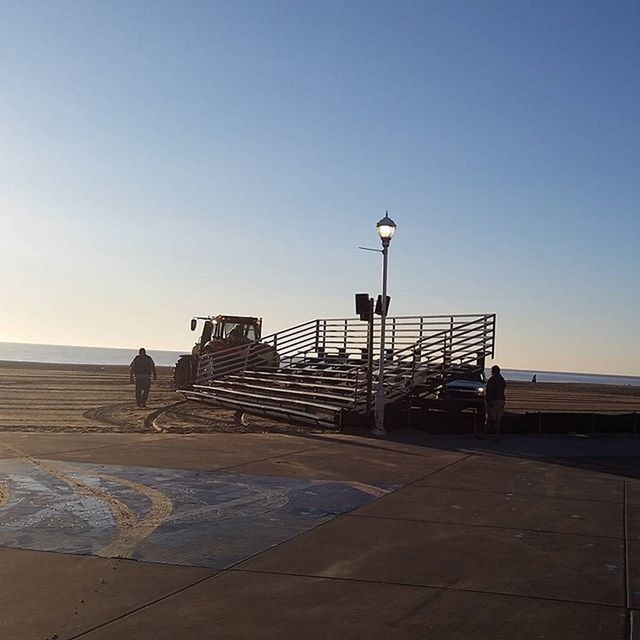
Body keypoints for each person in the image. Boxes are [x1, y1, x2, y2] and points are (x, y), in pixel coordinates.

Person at [481, 364, 506, 440]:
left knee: (489, 418)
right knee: (498, 419)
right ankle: (496, 435)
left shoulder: (492, 379)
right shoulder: (502, 380)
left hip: (493, 400)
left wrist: (488, 401)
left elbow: (489, 391)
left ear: (493, 371)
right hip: (501, 400)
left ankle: (485, 435)